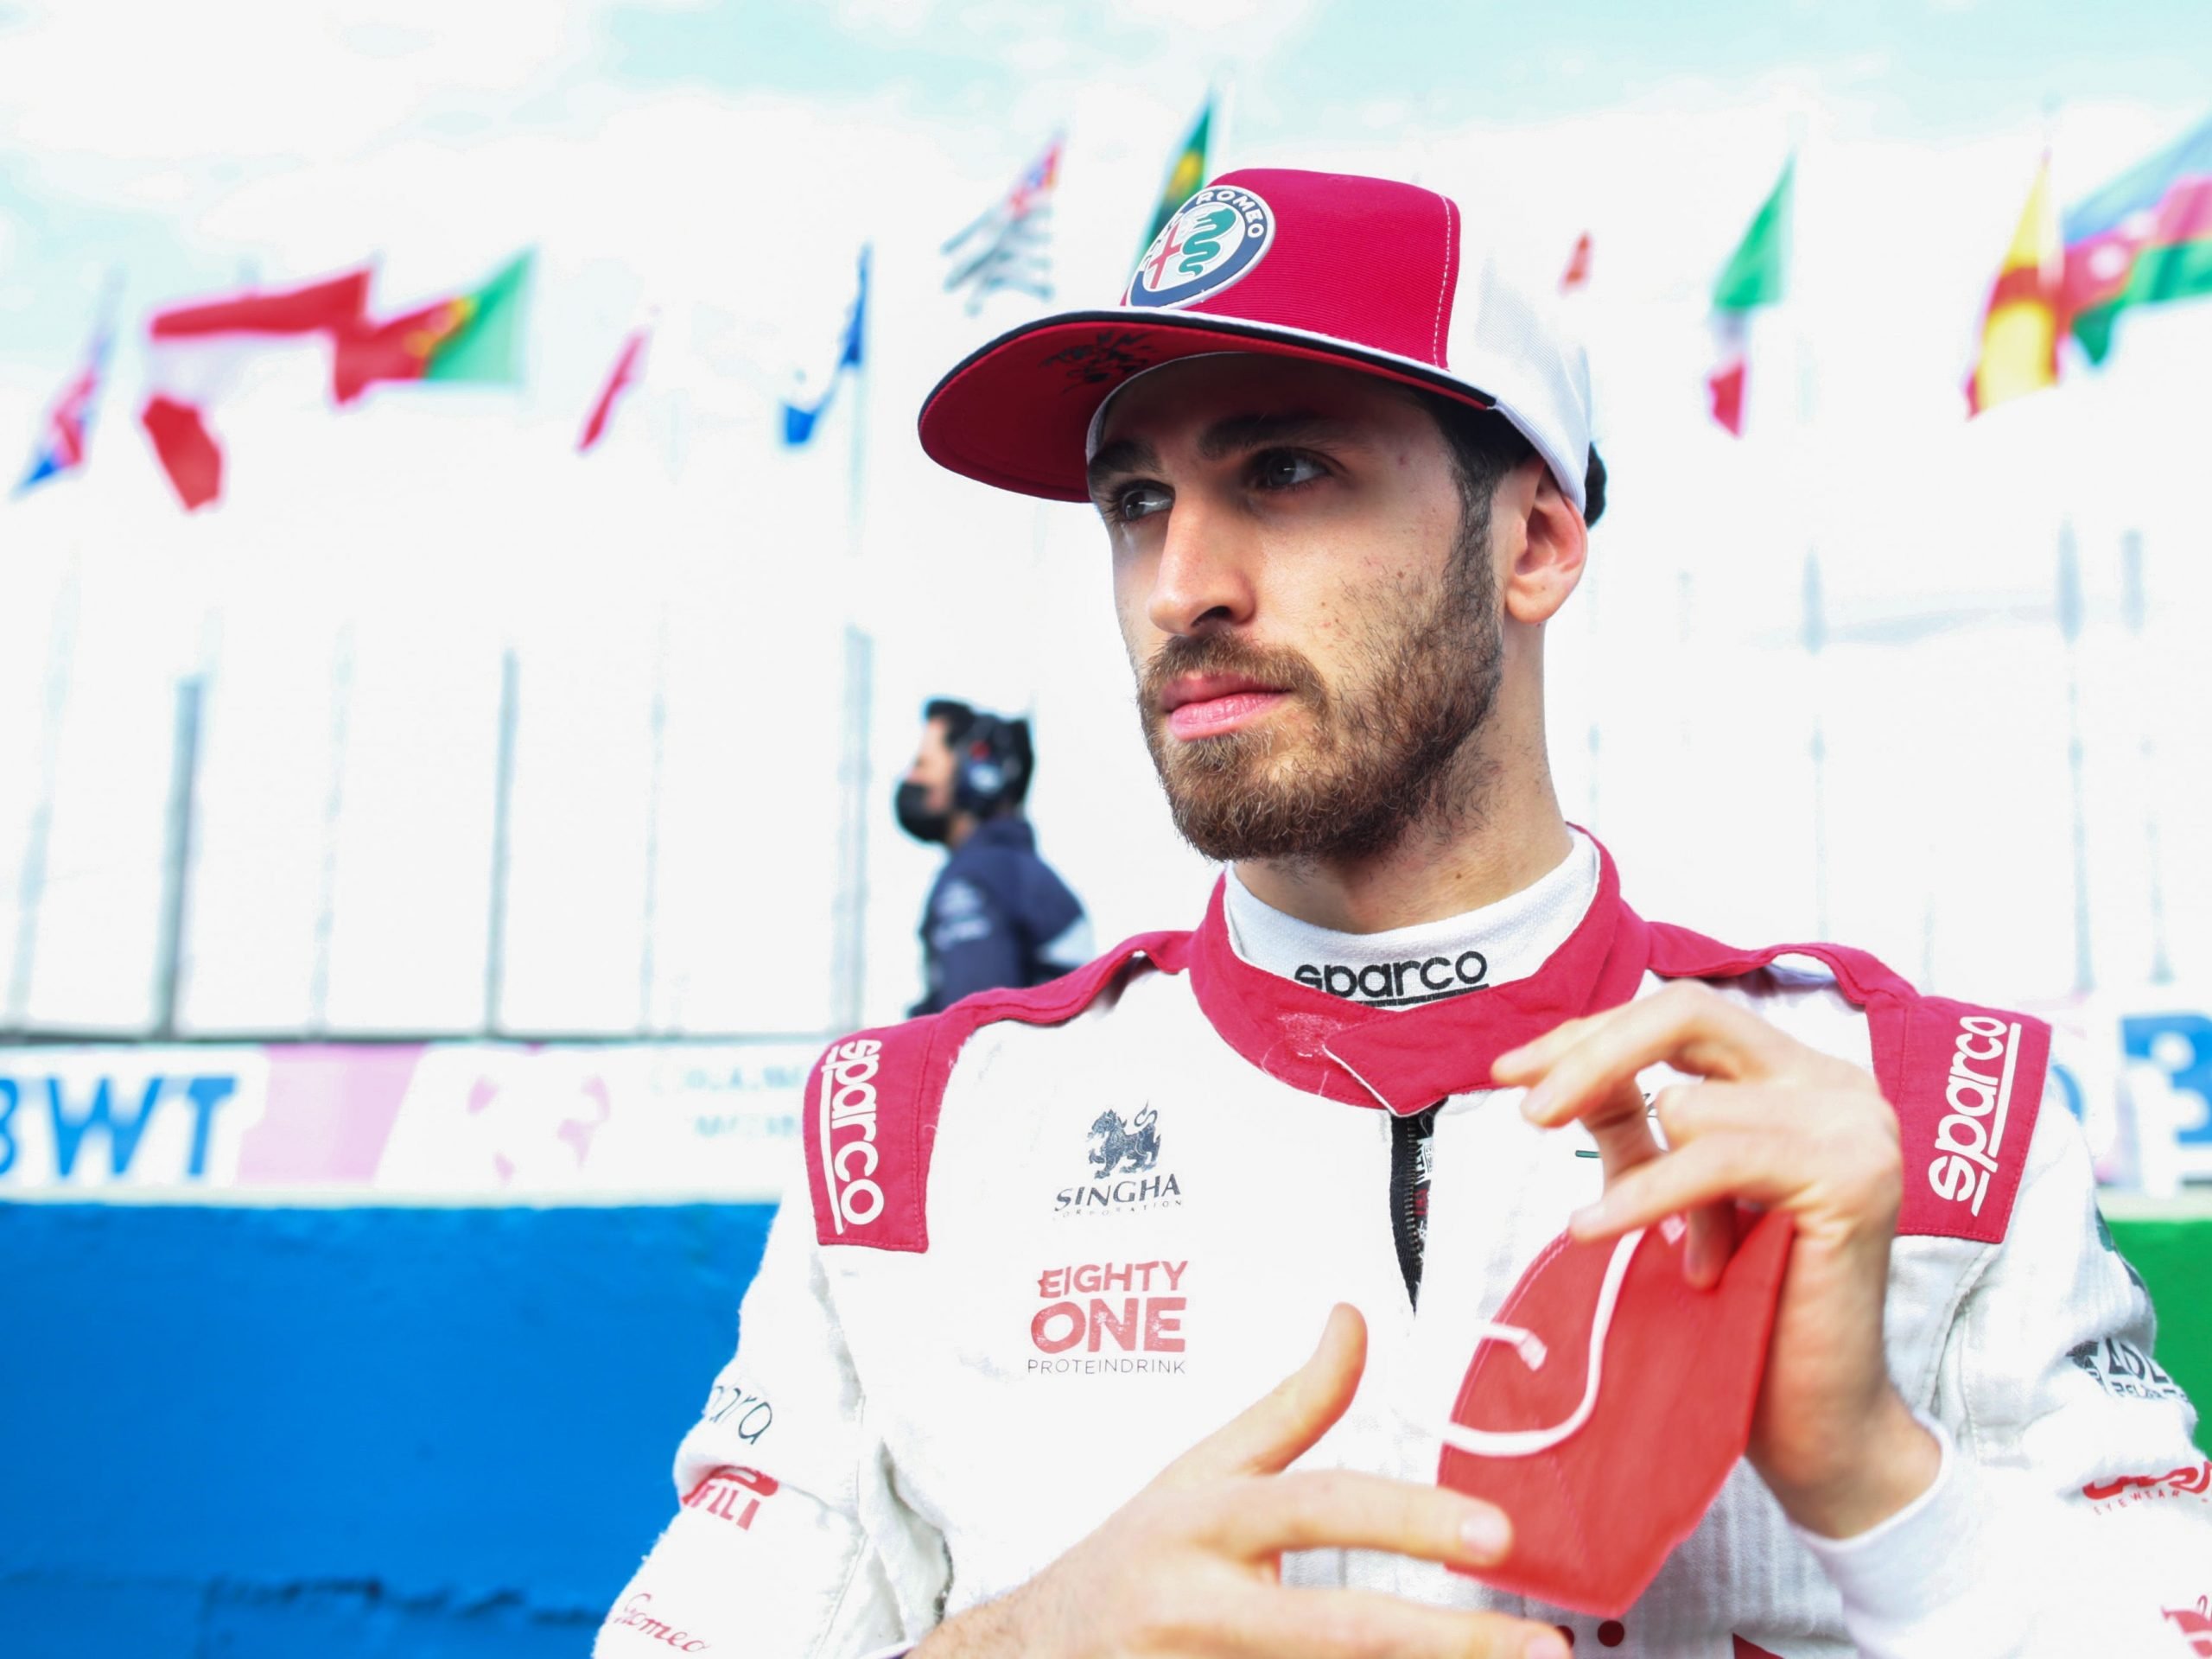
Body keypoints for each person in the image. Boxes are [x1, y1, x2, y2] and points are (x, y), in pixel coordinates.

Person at [598, 169, 2209, 1658]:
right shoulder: (918, 1140)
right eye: (1137, 500)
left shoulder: (1927, 1118)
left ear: (1535, 541)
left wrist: (1881, 1486)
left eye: (1285, 470)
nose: (1181, 586)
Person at [895, 698, 1091, 1015]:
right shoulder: (1014, 872)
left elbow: (972, 1030)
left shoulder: (977, 878)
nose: (910, 780)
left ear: (980, 773)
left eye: (923, 765)